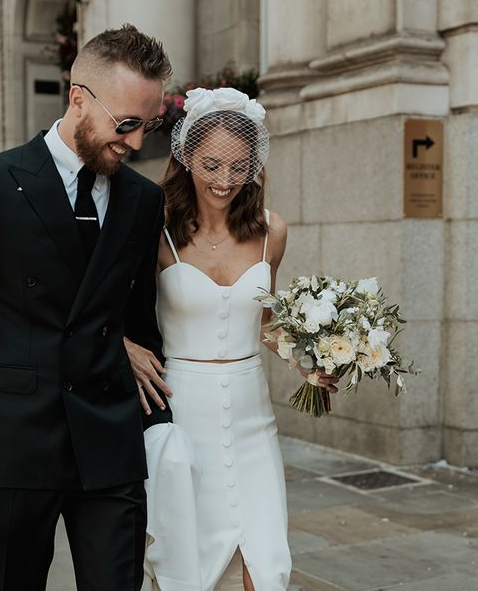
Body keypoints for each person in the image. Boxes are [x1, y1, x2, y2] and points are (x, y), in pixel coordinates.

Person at [0, 24, 173, 591]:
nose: (135, 144)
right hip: (12, 440)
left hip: (109, 441)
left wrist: (154, 411)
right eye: (126, 124)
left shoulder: (142, 199)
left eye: (148, 126)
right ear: (78, 97)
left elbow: (139, 324)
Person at [128, 87, 335, 591]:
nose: (225, 180)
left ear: (255, 165)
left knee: (263, 561)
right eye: (212, 164)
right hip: (183, 409)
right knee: (186, 559)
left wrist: (310, 361)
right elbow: (110, 306)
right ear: (186, 157)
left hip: (251, 414)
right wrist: (123, 346)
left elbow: (266, 323)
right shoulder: (157, 229)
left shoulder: (271, 231)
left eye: (240, 166)